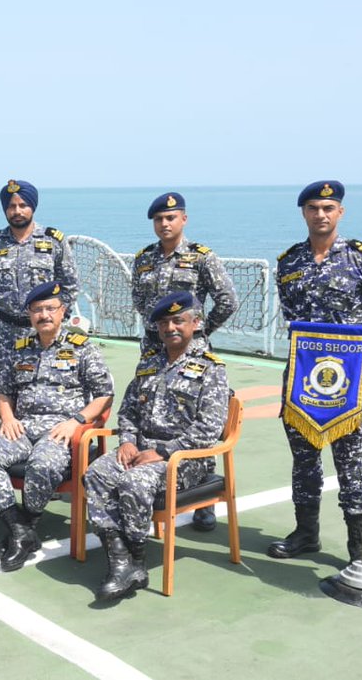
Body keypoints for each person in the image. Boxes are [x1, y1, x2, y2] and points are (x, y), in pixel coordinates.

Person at [268, 181, 362, 564]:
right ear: (304, 213)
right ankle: (306, 534)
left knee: (351, 464)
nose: (320, 214)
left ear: (340, 212)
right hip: (303, 377)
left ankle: (359, 546)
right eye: (313, 208)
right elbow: (291, 317)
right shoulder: (289, 262)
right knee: (304, 460)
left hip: (349, 382)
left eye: (328, 208)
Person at [82, 291, 229, 601]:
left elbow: (209, 428)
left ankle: (137, 557)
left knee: (134, 482)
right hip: (141, 450)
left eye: (178, 321)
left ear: (195, 323)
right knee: (96, 472)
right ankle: (121, 560)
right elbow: (128, 411)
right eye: (164, 323)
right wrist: (126, 441)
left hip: (186, 458)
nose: (170, 328)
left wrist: (162, 452)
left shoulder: (211, 369)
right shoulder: (149, 363)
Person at [0, 281, 113, 571]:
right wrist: (7, 417)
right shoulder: (18, 349)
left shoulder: (82, 349)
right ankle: (18, 528)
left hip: (61, 430)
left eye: (50, 308)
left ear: (63, 311)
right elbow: (3, 392)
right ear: (30, 314)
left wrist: (77, 421)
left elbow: (104, 395)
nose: (44, 315)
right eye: (37, 310)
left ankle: (28, 521)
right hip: (21, 427)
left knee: (43, 464)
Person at [130, 191, 238, 532]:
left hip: (191, 349)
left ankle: (202, 498)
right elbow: (140, 302)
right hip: (153, 349)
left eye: (171, 217)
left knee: (196, 416)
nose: (165, 223)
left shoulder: (201, 258)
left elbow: (227, 300)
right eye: (159, 219)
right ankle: (149, 477)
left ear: (183, 219)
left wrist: (199, 329)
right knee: (151, 410)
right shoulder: (143, 259)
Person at [0, 180, 79, 382]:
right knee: (2, 383)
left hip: (42, 330)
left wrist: (55, 318)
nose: (17, 211)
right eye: (11, 206)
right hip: (5, 333)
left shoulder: (53, 240)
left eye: (23, 205)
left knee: (46, 383)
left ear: (32, 207)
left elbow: (69, 284)